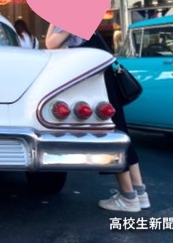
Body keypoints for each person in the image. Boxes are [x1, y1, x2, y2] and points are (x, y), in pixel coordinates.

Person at [45, 25, 150, 213]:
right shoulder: (87, 14)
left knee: (110, 132)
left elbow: (50, 44)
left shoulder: (69, 16)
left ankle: (128, 196)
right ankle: (139, 192)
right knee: (121, 131)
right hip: (106, 74)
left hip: (97, 80)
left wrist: (53, 22)